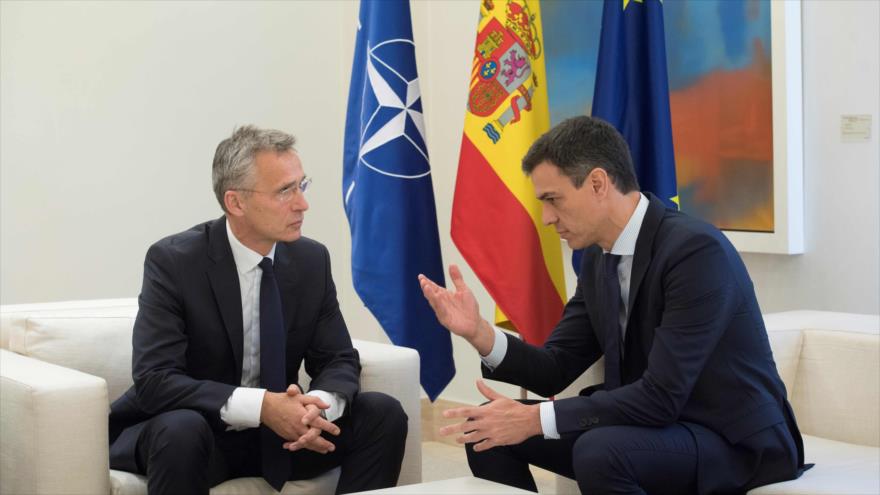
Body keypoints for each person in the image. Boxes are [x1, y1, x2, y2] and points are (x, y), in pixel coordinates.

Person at [419, 116, 807, 494]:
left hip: (729, 439)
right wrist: (481, 334)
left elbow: (661, 396)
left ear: (598, 183)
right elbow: (555, 367)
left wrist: (534, 418)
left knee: (600, 453)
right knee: (485, 429)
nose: (547, 218)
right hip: (655, 428)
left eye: (553, 199)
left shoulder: (694, 252)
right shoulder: (599, 257)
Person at [109, 125, 407, 494]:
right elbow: (156, 379)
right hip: (200, 434)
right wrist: (264, 407)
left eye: (302, 185)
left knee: (383, 414)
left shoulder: (311, 259)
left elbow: (338, 359)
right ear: (236, 202)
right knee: (181, 430)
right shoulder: (174, 261)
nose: (302, 204)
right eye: (285, 191)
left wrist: (318, 408)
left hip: (281, 438)